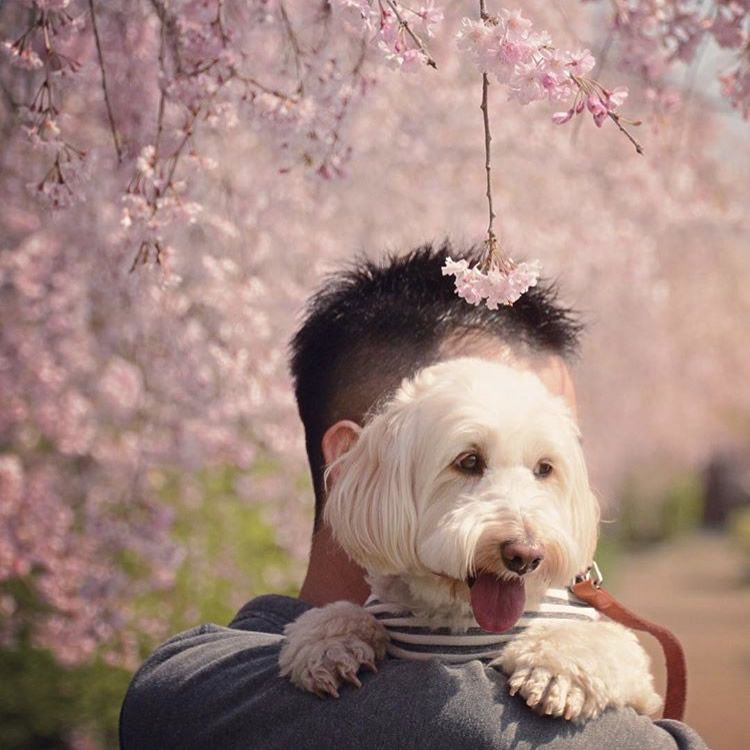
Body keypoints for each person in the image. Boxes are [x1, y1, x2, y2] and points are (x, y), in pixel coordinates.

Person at [119, 243, 708, 749]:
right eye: (470, 463)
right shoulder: (192, 691)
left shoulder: (194, 696)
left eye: (545, 466)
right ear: (353, 465)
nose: (528, 529)